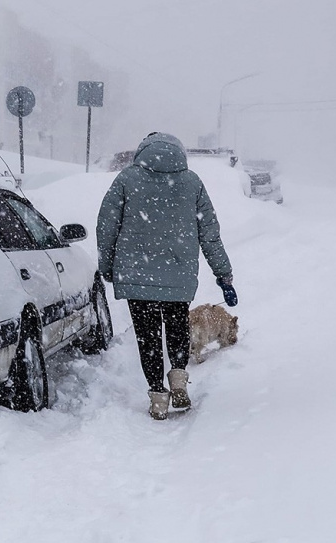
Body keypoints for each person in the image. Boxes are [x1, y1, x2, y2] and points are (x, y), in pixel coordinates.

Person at [96, 132, 237, 420]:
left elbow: (106, 226)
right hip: (178, 275)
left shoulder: (126, 179)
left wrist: (108, 266)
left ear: (142, 151)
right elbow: (210, 234)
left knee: (147, 337)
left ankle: (158, 397)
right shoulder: (191, 182)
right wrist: (223, 275)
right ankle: (178, 378)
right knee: (177, 330)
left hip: (137, 275)